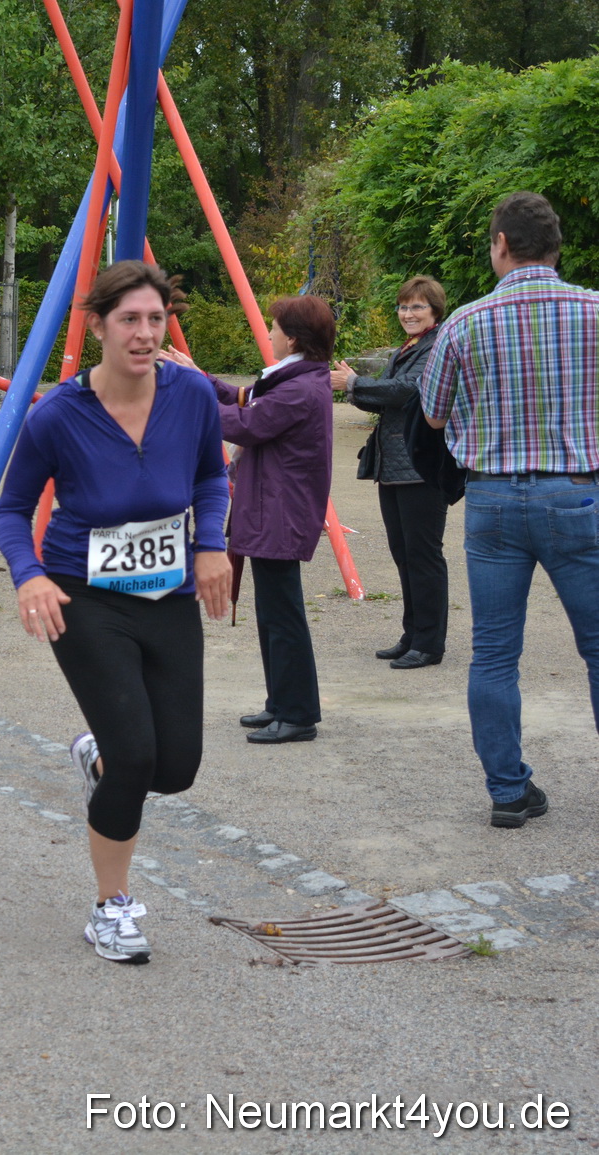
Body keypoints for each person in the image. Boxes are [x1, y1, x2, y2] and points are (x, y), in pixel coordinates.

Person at [0, 261, 231, 964]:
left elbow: (210, 475)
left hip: (168, 594)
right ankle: (111, 907)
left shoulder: (192, 393)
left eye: (156, 318)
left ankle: (100, 758)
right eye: (130, 319)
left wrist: (212, 546)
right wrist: (30, 576)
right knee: (136, 759)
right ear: (97, 325)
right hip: (85, 597)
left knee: (176, 767)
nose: (145, 333)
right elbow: (11, 509)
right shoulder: (57, 414)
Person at [419, 191, 599, 829]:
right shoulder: (594, 311)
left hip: (492, 497)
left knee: (494, 652)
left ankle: (507, 791)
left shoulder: (465, 322)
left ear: (500, 244)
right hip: (577, 492)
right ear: (556, 246)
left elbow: (433, 414)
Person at [165, 295, 336, 745]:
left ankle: (297, 713)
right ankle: (281, 702)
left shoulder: (299, 388)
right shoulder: (296, 378)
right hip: (273, 509)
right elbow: (245, 401)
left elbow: (245, 424)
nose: (270, 333)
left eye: (275, 327)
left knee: (283, 616)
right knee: (273, 614)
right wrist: (198, 376)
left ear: (292, 339)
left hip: (280, 512)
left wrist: (190, 393)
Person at [329, 276, 449, 669]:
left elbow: (408, 390)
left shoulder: (437, 346)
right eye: (403, 306)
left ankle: (429, 643)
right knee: (404, 554)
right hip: (394, 465)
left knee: (423, 556)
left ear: (434, 311)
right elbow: (386, 399)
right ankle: (412, 635)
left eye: (417, 306)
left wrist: (354, 382)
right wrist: (356, 387)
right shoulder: (408, 348)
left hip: (422, 466)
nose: (408, 313)